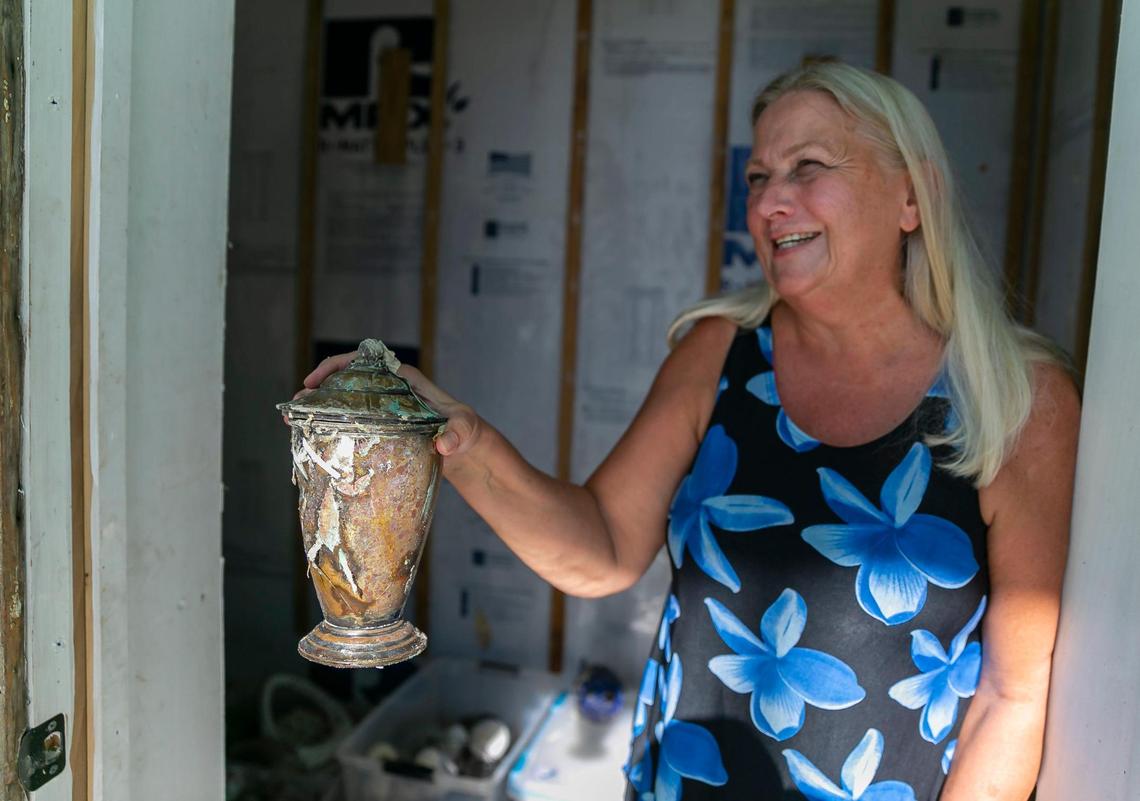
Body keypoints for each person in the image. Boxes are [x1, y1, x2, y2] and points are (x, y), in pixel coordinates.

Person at [303, 62, 1079, 800]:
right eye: (758, 177)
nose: (771, 201)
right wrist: (460, 441)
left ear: (913, 198)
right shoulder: (721, 354)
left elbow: (1013, 696)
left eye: (808, 167)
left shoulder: (1017, 401)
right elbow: (604, 545)